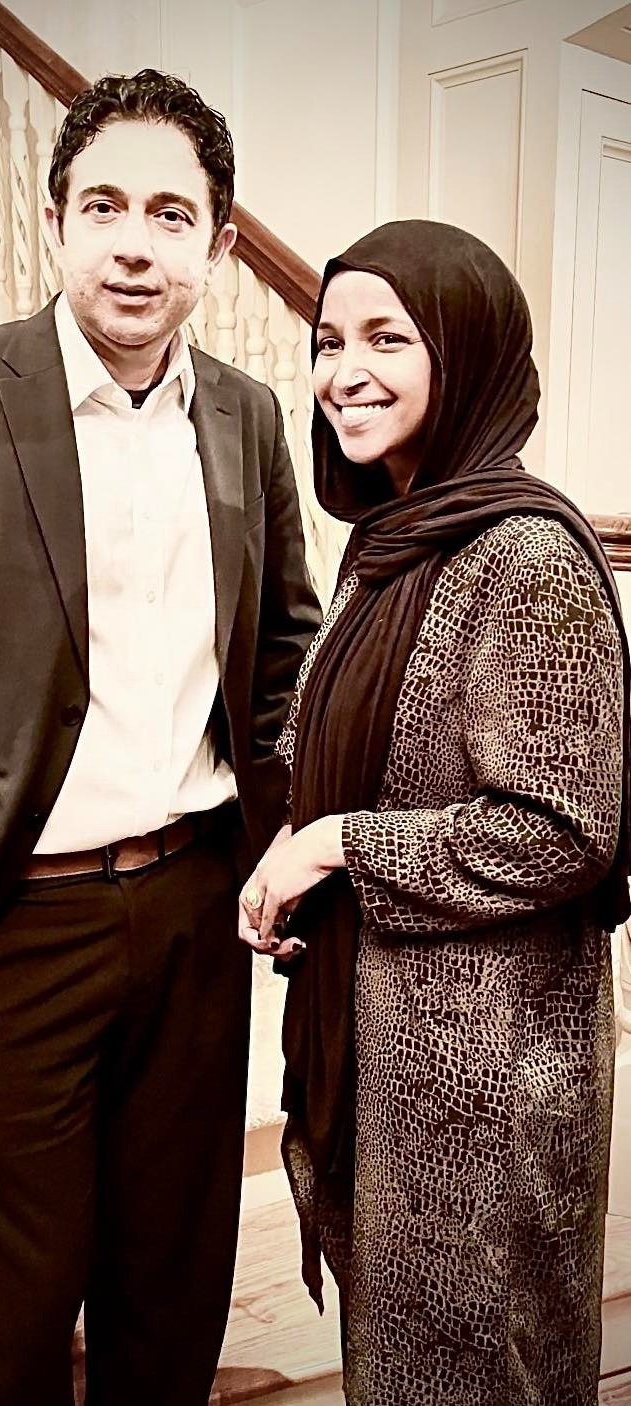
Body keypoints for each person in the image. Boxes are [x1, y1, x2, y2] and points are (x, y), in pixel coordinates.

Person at [0, 69, 320, 1406]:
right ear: (54, 223)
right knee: (4, 1331)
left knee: (169, 1297)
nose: (133, 243)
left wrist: (287, 850)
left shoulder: (247, 415)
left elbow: (285, 649)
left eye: (170, 213)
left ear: (219, 244)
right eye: (102, 206)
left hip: (191, 923)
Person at [238, 219, 630, 1405]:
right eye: (328, 340)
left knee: (482, 1376)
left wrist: (338, 845)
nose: (344, 370)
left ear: (465, 354)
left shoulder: (527, 554)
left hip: (488, 1085)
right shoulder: (391, 545)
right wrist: (296, 851)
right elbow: (350, 753)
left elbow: (565, 827)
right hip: (391, 1063)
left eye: (387, 338)